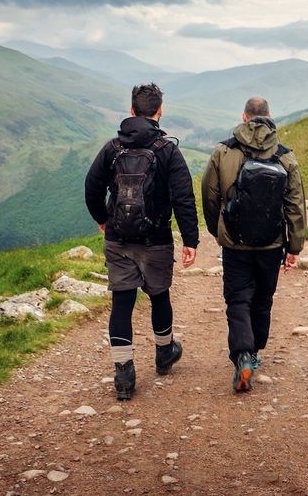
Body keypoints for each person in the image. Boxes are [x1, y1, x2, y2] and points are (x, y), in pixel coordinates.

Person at [85, 83, 199, 400]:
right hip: (157, 239)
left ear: (132, 110)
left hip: (118, 238)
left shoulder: (112, 148)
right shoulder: (168, 151)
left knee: (122, 302)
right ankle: (164, 354)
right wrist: (191, 239)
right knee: (159, 296)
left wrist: (103, 219)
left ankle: (124, 376)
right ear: (159, 112)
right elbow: (184, 198)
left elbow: (91, 187)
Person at [201, 96, 305, 393]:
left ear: (244, 117)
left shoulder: (223, 151)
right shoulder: (285, 156)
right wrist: (294, 246)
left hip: (234, 243)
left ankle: (243, 355)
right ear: (270, 117)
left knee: (237, 299)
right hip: (271, 245)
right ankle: (255, 352)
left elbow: (209, 195)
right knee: (263, 299)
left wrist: (218, 229)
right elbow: (295, 204)